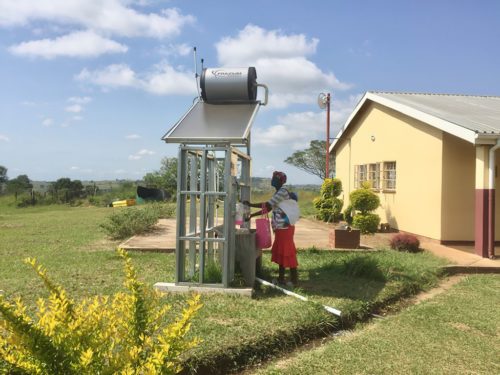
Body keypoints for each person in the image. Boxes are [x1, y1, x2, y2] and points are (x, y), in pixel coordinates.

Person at [243, 171, 298, 286]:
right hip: (281, 228)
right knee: (282, 252)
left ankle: (294, 280)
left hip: (284, 228)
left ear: (279, 180)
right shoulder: (278, 192)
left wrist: (251, 205)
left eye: (274, 178)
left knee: (288, 252)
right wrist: (252, 215)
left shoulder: (282, 192)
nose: (272, 180)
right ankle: (282, 279)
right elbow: (268, 209)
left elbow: (267, 205)